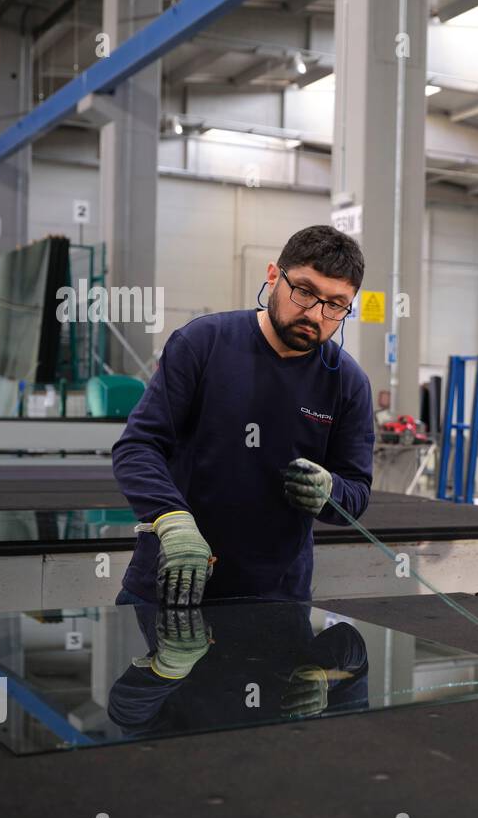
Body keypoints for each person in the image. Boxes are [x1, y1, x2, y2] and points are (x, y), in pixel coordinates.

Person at [111, 225, 375, 606]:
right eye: (304, 291)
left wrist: (331, 491)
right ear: (273, 276)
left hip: (275, 601)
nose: (316, 314)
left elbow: (357, 493)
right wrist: (171, 518)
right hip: (169, 584)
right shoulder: (203, 344)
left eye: (335, 304)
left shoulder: (348, 383)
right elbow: (138, 446)